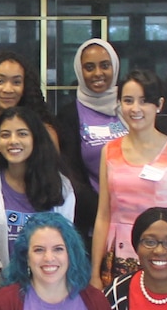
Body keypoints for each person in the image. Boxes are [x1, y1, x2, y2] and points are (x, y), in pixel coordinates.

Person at [92, 70, 167, 289]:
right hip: (117, 253)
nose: (135, 109)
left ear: (159, 104)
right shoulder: (109, 151)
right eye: (128, 101)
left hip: (163, 252)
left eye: (144, 101)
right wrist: (94, 272)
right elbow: (103, 215)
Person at [0, 107, 77, 291]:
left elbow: (64, 243)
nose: (13, 141)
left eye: (22, 134)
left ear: (35, 139)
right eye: (5, 135)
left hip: (47, 286)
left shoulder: (60, 184)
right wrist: (3, 294)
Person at [52, 38, 124, 199]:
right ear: (79, 71)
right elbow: (70, 171)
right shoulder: (69, 115)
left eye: (105, 65)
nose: (98, 73)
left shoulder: (129, 106)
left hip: (134, 205)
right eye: (89, 67)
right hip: (91, 211)